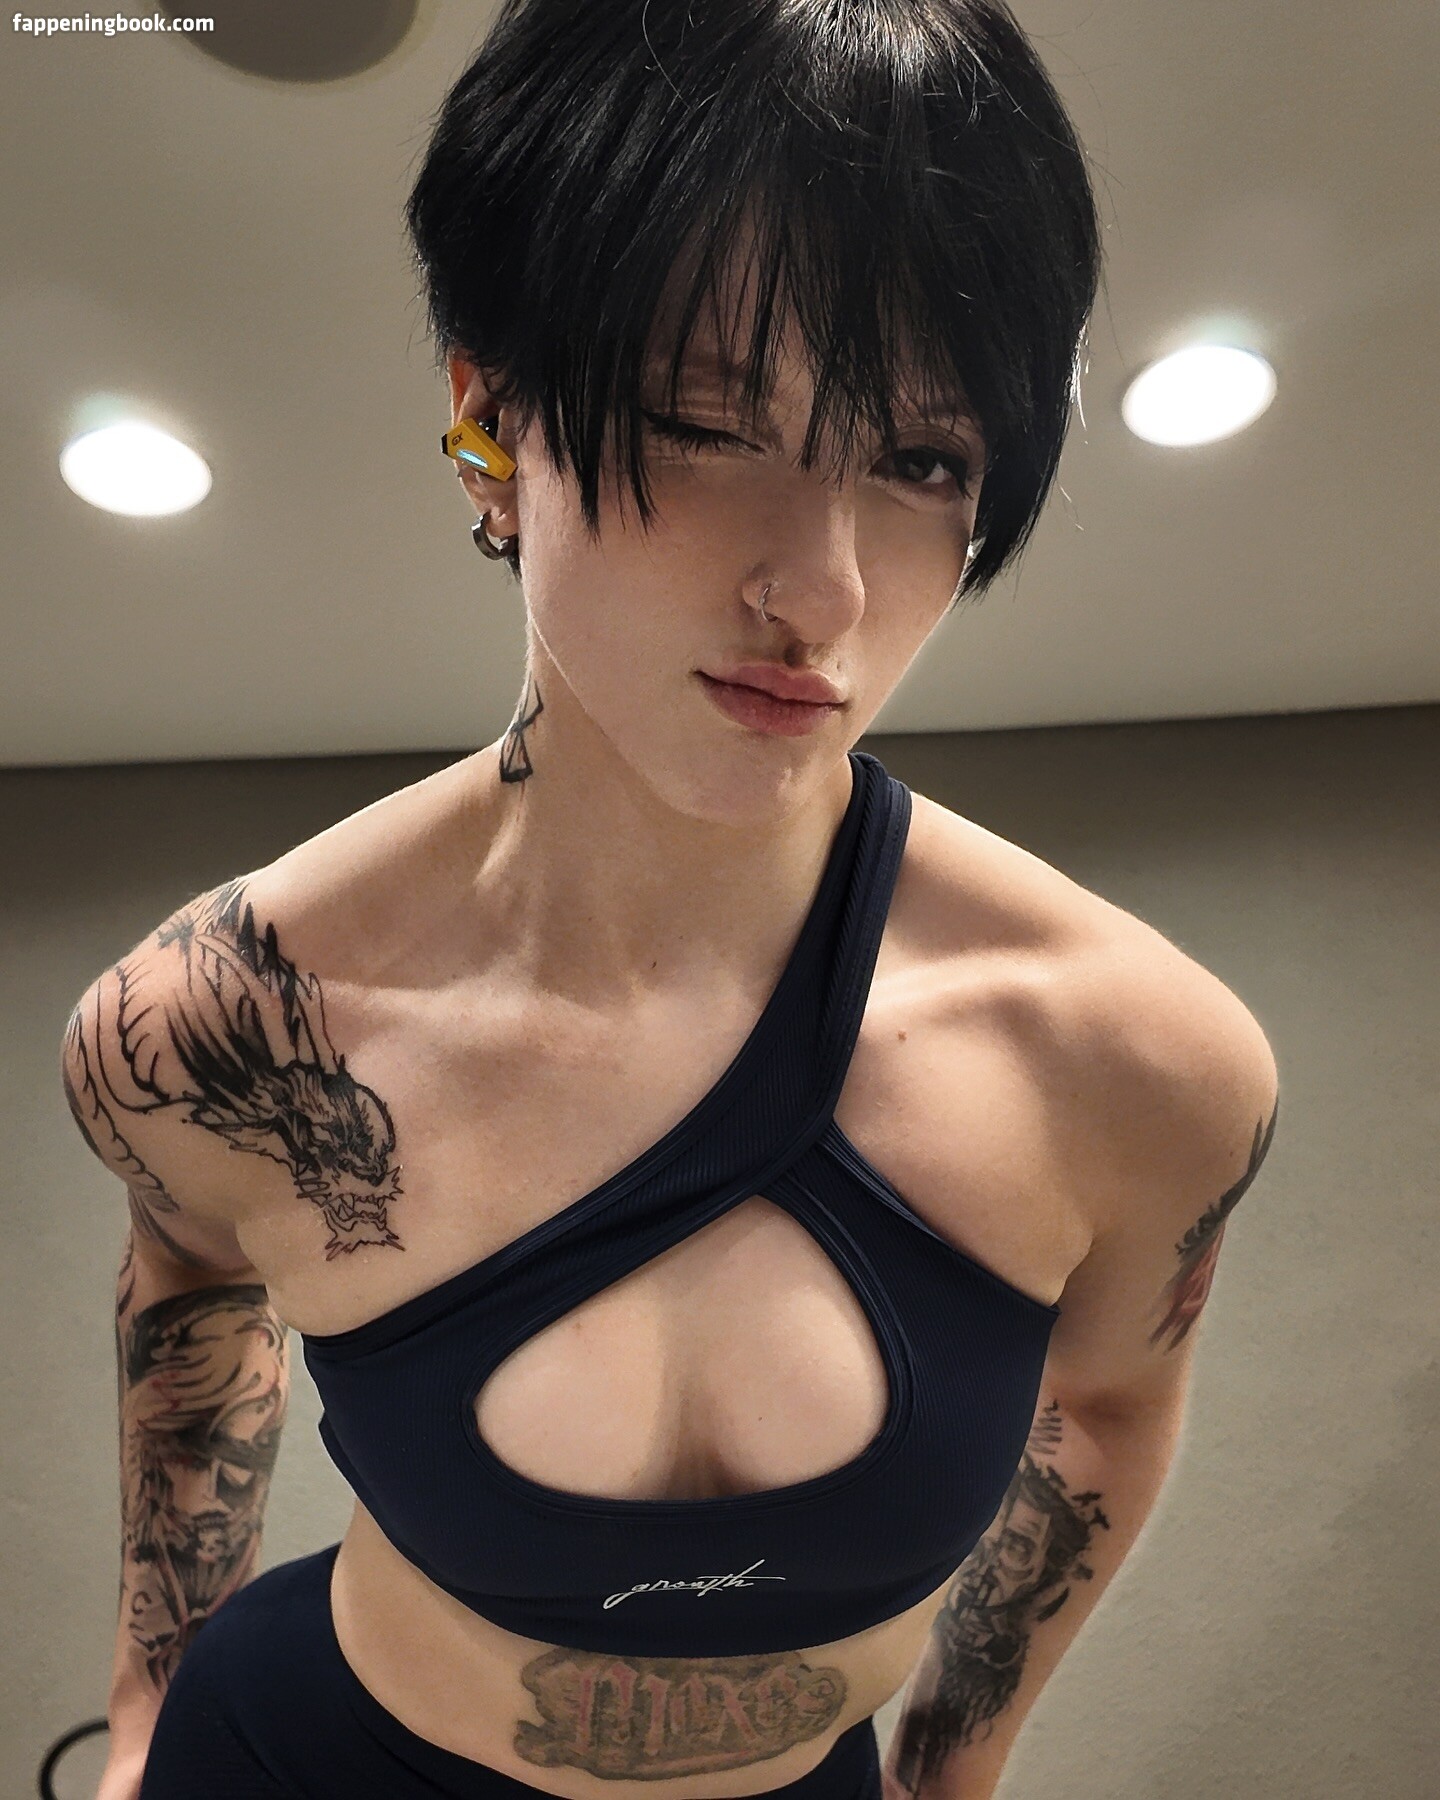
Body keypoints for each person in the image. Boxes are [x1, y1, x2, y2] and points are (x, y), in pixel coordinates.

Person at [63, 3, 1280, 1797]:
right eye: (713, 421)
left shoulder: (1134, 1064)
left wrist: (952, 1773)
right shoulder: (221, 1025)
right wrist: (146, 1709)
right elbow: (189, 1290)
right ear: (493, 417)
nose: (826, 585)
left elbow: (1108, 1405)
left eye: (926, 463)